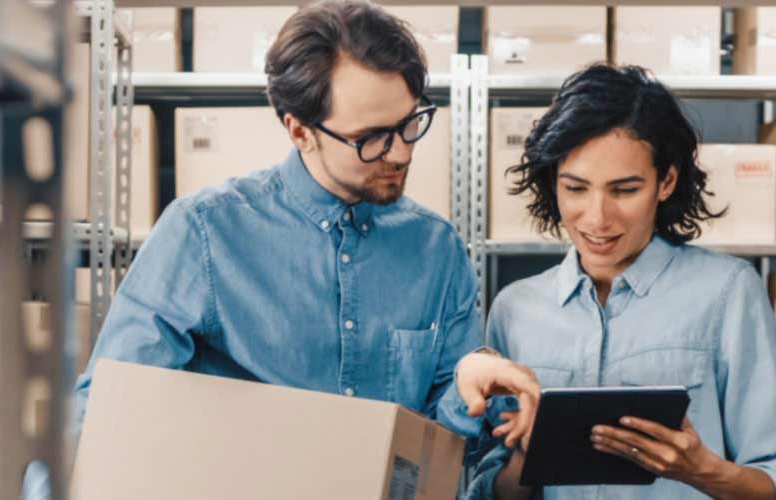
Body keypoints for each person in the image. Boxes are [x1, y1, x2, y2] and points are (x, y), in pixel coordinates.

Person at [74, 0, 538, 454]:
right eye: (371, 138)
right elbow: (105, 413)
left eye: (408, 123)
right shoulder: (203, 234)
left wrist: (464, 389)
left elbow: (443, 436)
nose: (400, 152)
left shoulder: (436, 248)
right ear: (299, 131)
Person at [463, 64, 776, 500]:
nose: (597, 217)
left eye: (624, 190)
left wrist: (702, 471)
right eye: (576, 188)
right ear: (554, 182)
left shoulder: (728, 293)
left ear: (666, 181)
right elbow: (493, 492)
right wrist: (525, 456)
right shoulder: (515, 310)